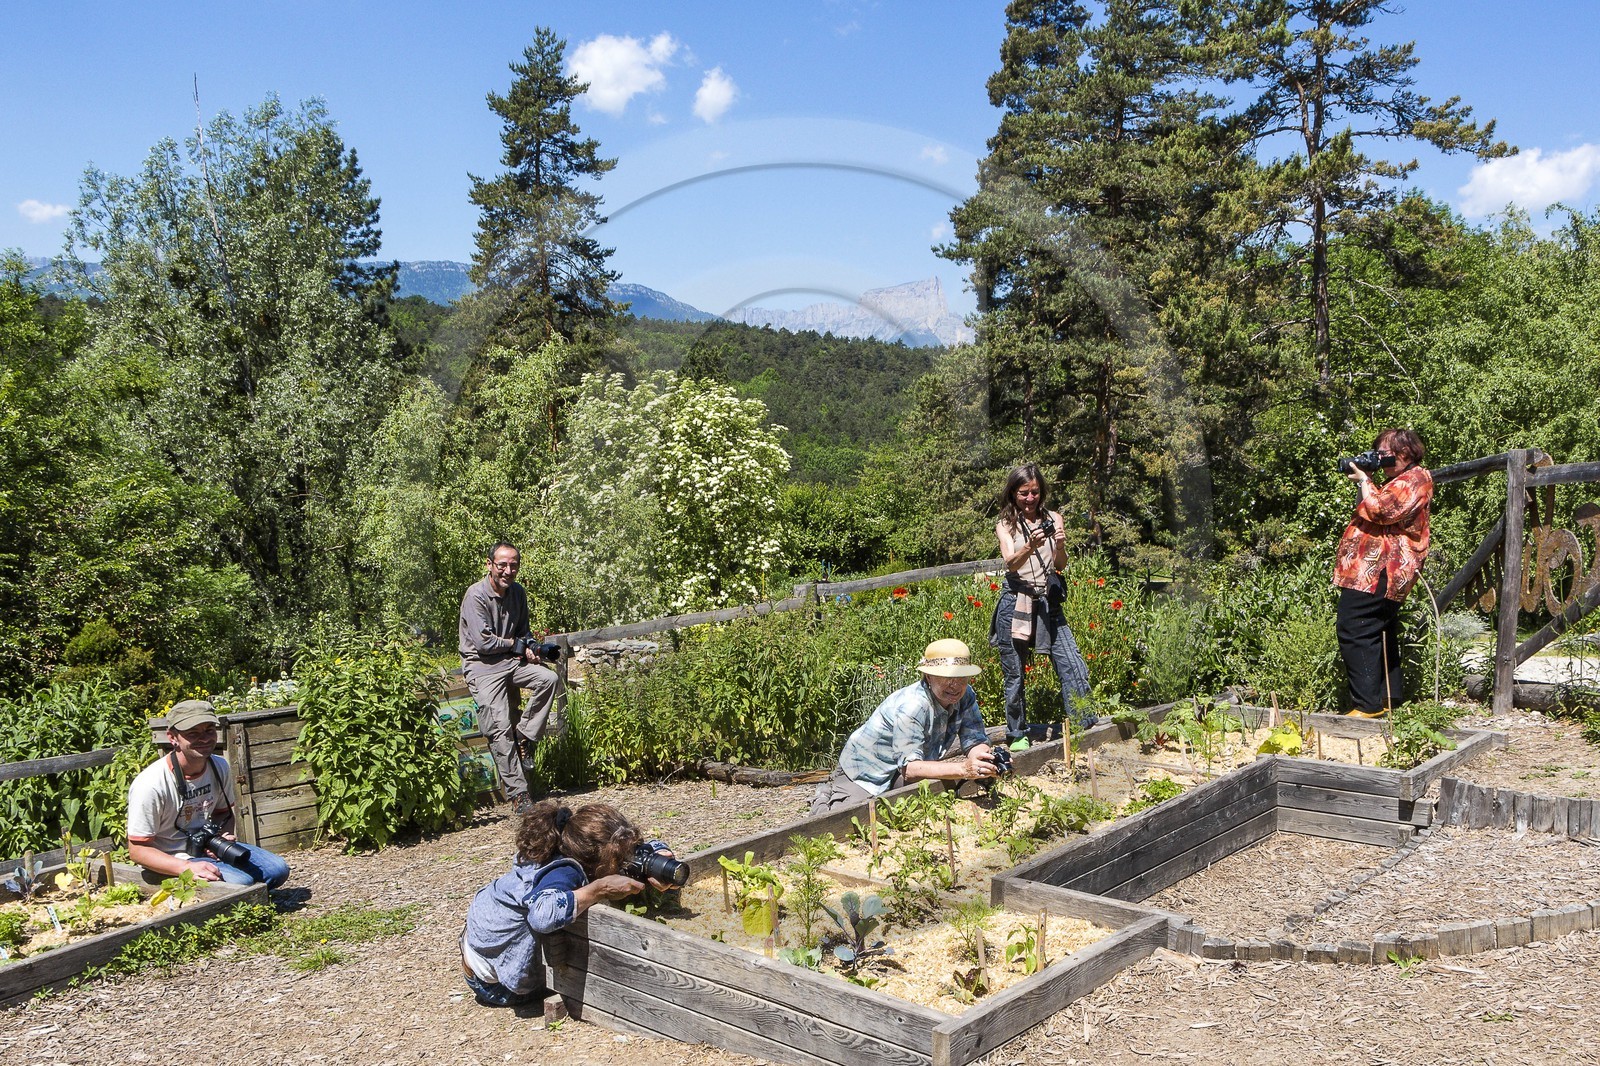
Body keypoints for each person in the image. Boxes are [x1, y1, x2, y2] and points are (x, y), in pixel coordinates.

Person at [460, 800, 673, 1007]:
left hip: (481, 939)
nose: (628, 861)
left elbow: (634, 849)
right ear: (592, 861)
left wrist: (658, 857)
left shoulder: (568, 844)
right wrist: (599, 889)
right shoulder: (564, 872)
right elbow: (541, 915)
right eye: (621, 859)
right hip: (493, 981)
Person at [811, 638, 998, 814]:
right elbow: (911, 769)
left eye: (962, 677)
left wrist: (985, 759)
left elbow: (974, 740)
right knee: (844, 822)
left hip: (900, 767)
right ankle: (823, 797)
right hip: (865, 770)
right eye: (947, 677)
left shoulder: (965, 695)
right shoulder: (913, 706)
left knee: (930, 802)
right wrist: (964, 769)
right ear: (929, 676)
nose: (955, 685)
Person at [126, 699, 290, 888]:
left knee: (278, 869)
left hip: (207, 847)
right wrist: (186, 867)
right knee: (241, 882)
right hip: (172, 858)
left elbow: (224, 813)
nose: (204, 739)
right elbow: (137, 851)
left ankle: (241, 893)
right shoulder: (150, 784)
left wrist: (223, 837)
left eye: (209, 730)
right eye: (193, 733)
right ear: (172, 737)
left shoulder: (219, 766)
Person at [989, 463, 1093, 750]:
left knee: (1072, 663)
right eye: (1024, 493)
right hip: (1016, 602)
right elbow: (1011, 563)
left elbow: (1060, 564)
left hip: (1048, 603)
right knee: (1014, 673)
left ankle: (1084, 726)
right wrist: (1029, 546)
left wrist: (1060, 546)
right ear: (1013, 493)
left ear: (1042, 492)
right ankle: (1017, 734)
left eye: (1034, 492)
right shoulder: (1005, 525)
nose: (1030, 498)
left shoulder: (1054, 518)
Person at [1333, 428, 1433, 718]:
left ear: (1406, 453)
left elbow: (1379, 511)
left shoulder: (1414, 479)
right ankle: (1387, 697)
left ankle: (1367, 706)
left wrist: (1365, 480)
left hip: (1381, 569)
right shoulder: (1400, 480)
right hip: (1377, 569)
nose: (1381, 460)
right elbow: (1372, 508)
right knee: (1379, 628)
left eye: (1385, 455)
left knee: (1355, 626)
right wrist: (1366, 480)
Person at [460, 541, 563, 812]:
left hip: (510, 661)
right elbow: (484, 643)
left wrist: (530, 648)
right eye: (502, 565)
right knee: (499, 727)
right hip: (482, 666)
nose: (508, 571)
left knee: (548, 679)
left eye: (513, 565)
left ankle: (525, 736)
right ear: (489, 565)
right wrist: (515, 645)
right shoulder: (475, 596)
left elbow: (523, 632)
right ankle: (519, 795)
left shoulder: (518, 592)